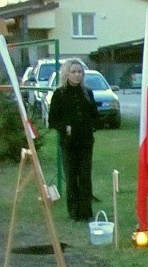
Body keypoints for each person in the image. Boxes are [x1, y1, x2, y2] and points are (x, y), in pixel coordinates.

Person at [48, 58, 98, 222]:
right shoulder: (60, 93)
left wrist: (92, 125)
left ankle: (86, 211)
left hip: (86, 142)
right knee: (71, 177)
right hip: (69, 143)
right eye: (74, 72)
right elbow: (52, 120)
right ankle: (74, 211)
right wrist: (65, 127)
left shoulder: (87, 92)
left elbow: (94, 114)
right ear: (66, 73)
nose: (77, 75)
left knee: (85, 176)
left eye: (80, 72)